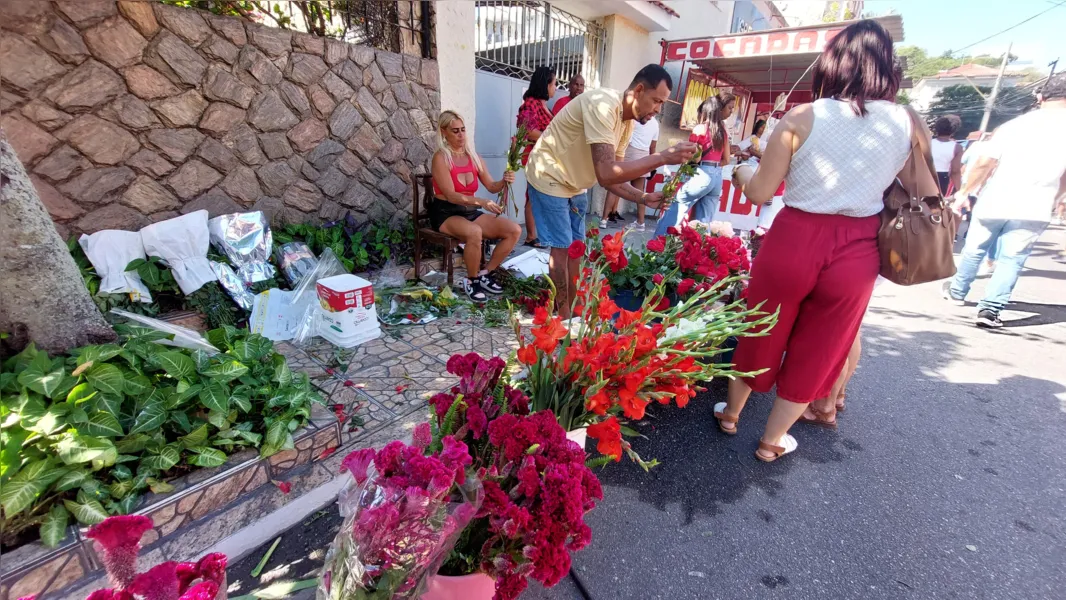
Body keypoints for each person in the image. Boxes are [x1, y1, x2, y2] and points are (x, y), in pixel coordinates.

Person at [713, 20, 929, 462]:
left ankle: (731, 413)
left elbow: (758, 192)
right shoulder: (909, 122)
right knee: (823, 343)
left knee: (760, 327)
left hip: (795, 235)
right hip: (858, 244)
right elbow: (917, 189)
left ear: (832, 63)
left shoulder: (803, 117)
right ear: (887, 66)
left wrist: (738, 170)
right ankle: (772, 442)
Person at [526, 64, 698, 319]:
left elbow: (611, 179)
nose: (658, 110)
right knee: (561, 248)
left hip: (575, 182)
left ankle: (573, 308)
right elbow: (606, 172)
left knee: (577, 247)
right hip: (549, 174)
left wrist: (642, 197)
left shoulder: (626, 123)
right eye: (656, 101)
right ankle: (561, 316)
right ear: (638, 90)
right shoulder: (603, 105)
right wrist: (661, 158)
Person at [943, 72, 1066, 328]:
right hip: (1036, 206)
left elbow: (985, 163)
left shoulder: (1015, 126)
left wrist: (965, 192)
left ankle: (957, 291)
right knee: (1013, 259)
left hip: (996, 199)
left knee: (974, 248)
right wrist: (1057, 197)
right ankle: (990, 310)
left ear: (1041, 96)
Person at [431, 110, 522, 302]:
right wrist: (481, 201)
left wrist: (505, 180)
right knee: (474, 233)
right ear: (444, 132)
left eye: (463, 130)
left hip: (470, 212)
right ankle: (471, 281)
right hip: (446, 213)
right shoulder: (441, 158)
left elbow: (491, 186)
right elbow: (451, 195)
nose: (461, 135)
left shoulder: (474, 157)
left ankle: (485, 274)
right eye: (455, 131)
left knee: (513, 230)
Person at [653, 93, 735, 237]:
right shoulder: (723, 132)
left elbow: (694, 158)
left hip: (701, 173)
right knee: (703, 224)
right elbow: (726, 160)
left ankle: (658, 245)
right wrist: (712, 167)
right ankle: (698, 255)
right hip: (717, 177)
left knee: (676, 208)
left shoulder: (700, 129)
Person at [515, 66, 558, 249]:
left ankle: (539, 234)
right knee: (533, 196)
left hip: (546, 158)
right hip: (536, 158)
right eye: (554, 83)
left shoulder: (543, 105)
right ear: (545, 84)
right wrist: (552, 138)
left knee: (541, 196)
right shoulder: (531, 103)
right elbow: (527, 131)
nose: (555, 87)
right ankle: (531, 236)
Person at [600, 115, 660, 230]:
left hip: (630, 151)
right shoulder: (656, 124)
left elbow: (625, 137)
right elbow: (653, 147)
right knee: (640, 192)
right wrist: (652, 164)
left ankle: (604, 219)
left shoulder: (635, 120)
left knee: (615, 185)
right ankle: (641, 223)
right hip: (645, 155)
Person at [931, 114, 963, 195]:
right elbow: (955, 171)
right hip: (942, 178)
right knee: (936, 204)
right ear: (954, 130)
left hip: (925, 174)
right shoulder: (957, 147)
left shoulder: (927, 143)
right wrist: (959, 190)